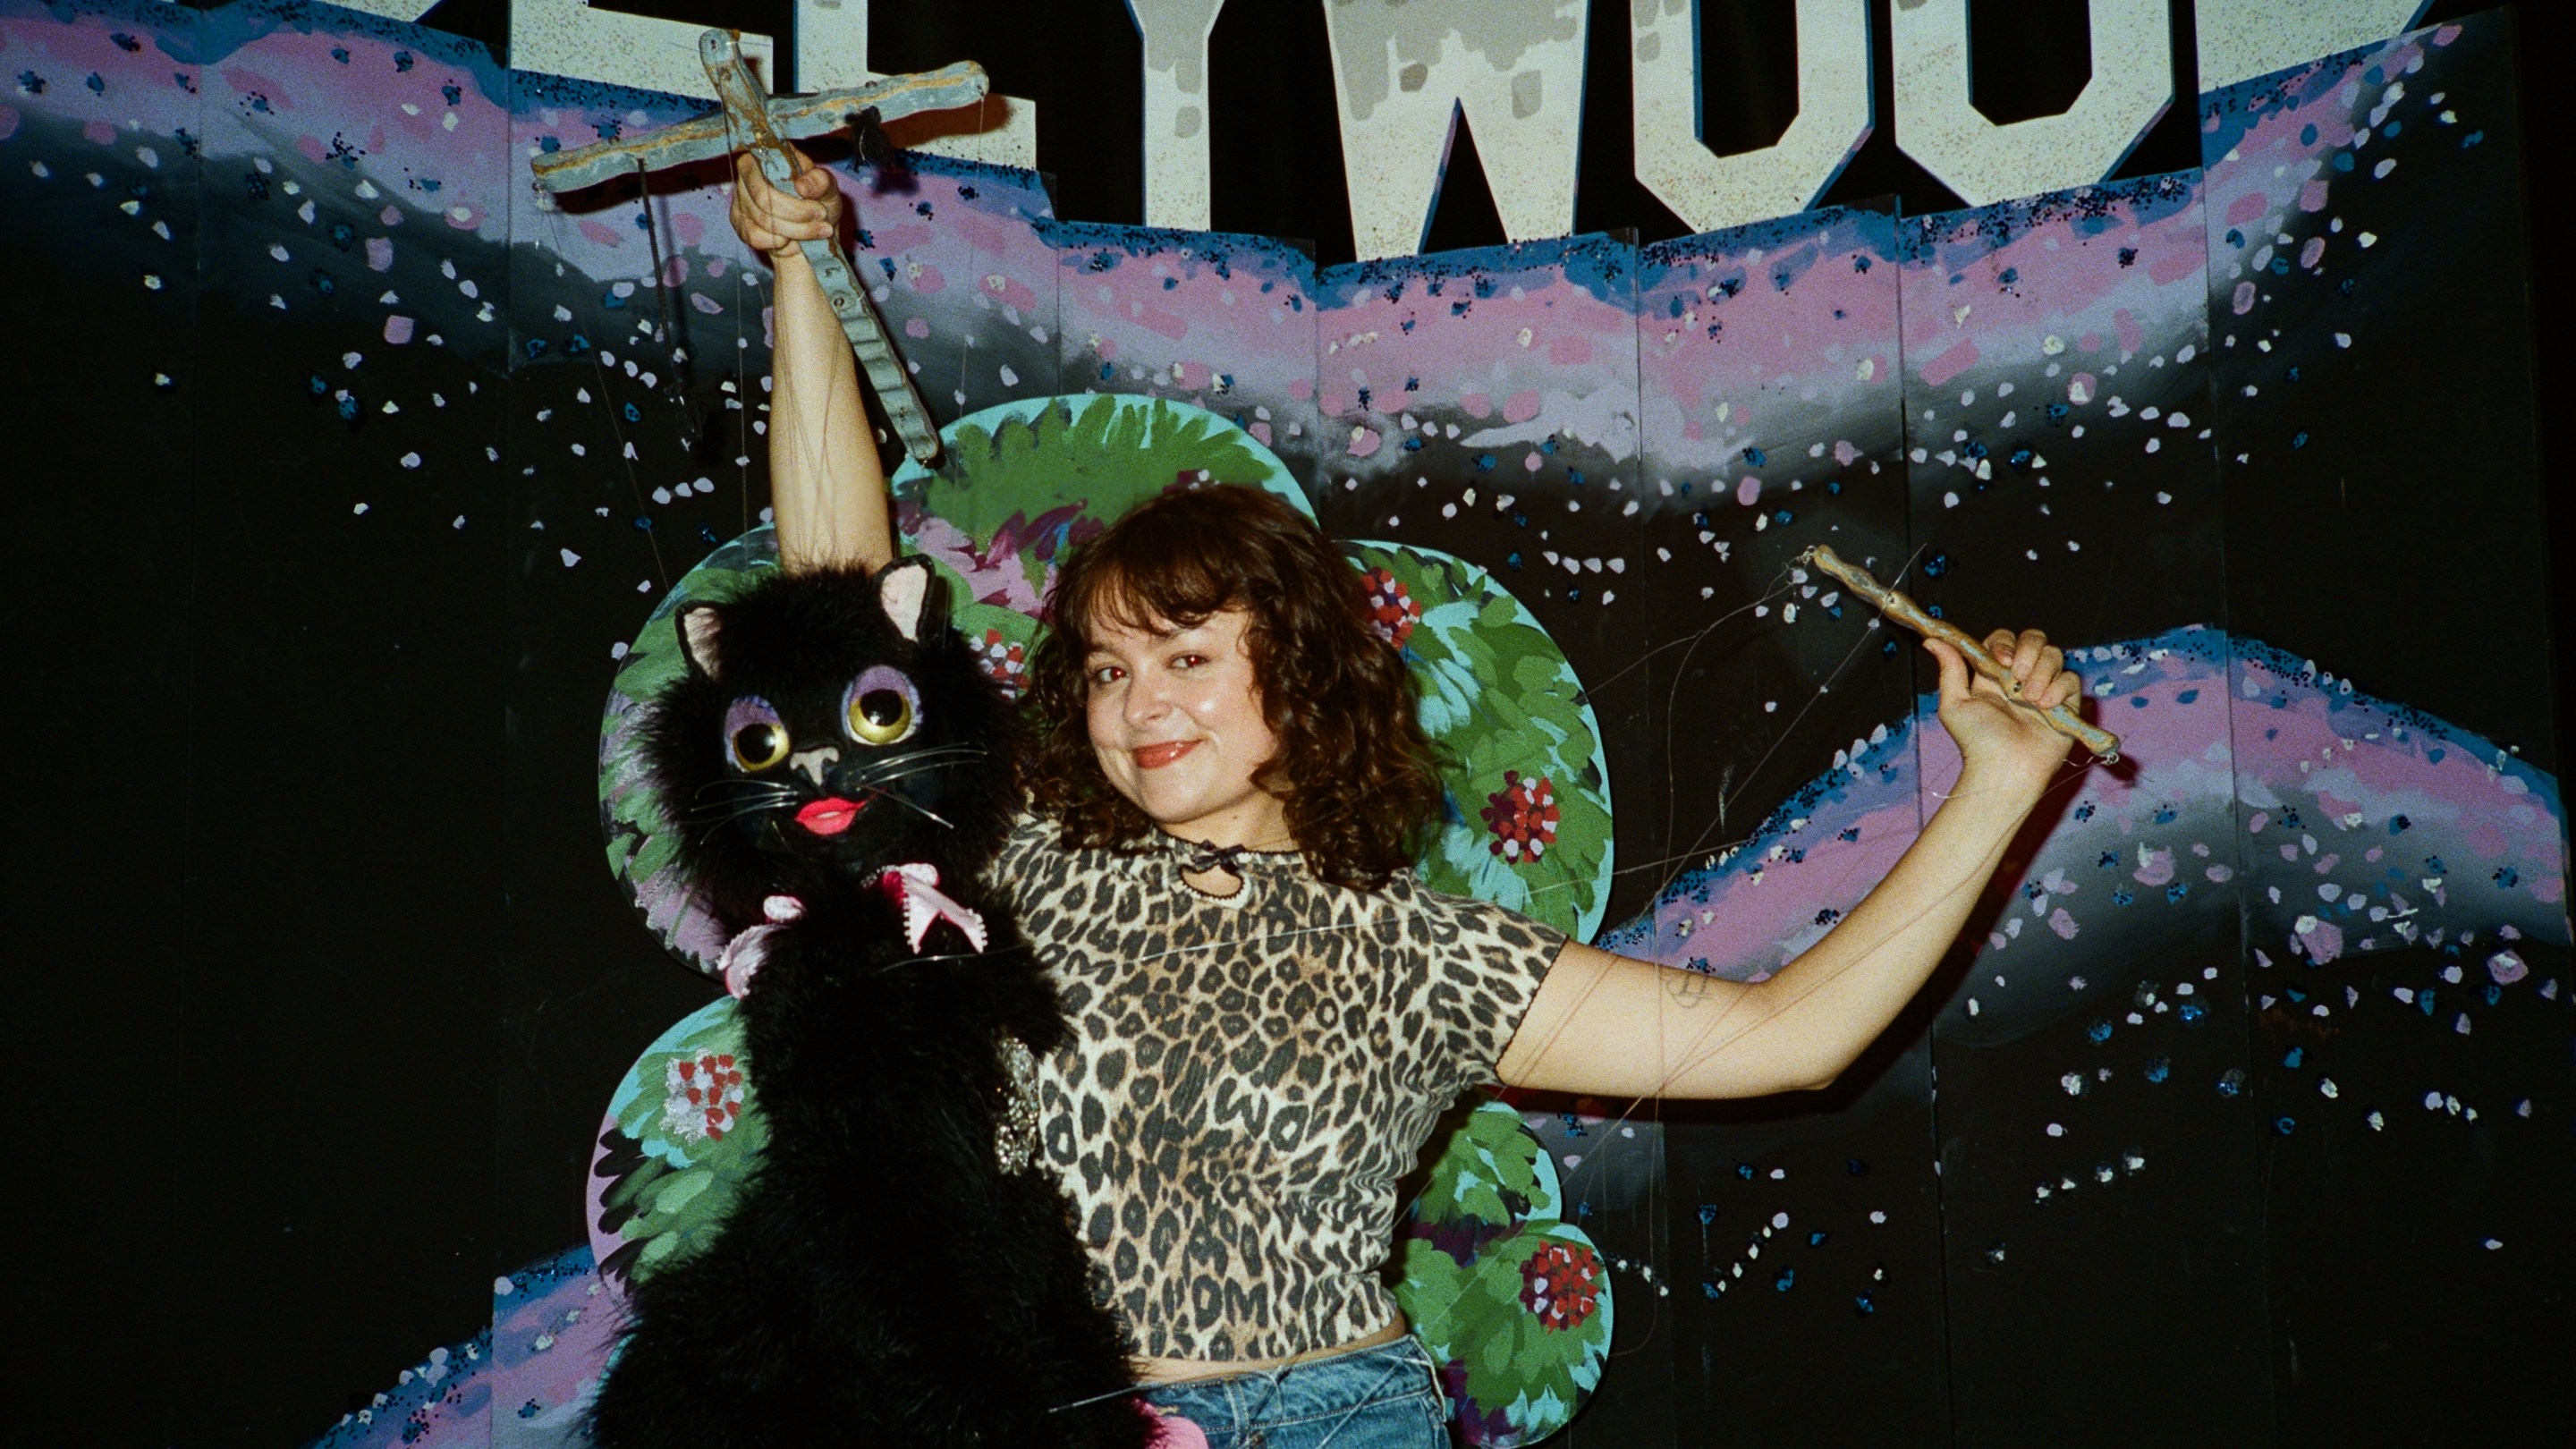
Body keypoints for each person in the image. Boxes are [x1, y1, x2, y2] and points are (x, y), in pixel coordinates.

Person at [728, 148, 2082, 1448]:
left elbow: (1792, 1037)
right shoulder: (1009, 870)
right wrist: (799, 273)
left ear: (1297, 674)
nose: (1139, 706)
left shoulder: (1422, 949)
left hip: (1345, 1421)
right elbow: (833, 619)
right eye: (1105, 668)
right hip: (1057, 1423)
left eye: (1189, 657)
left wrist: (2002, 781)